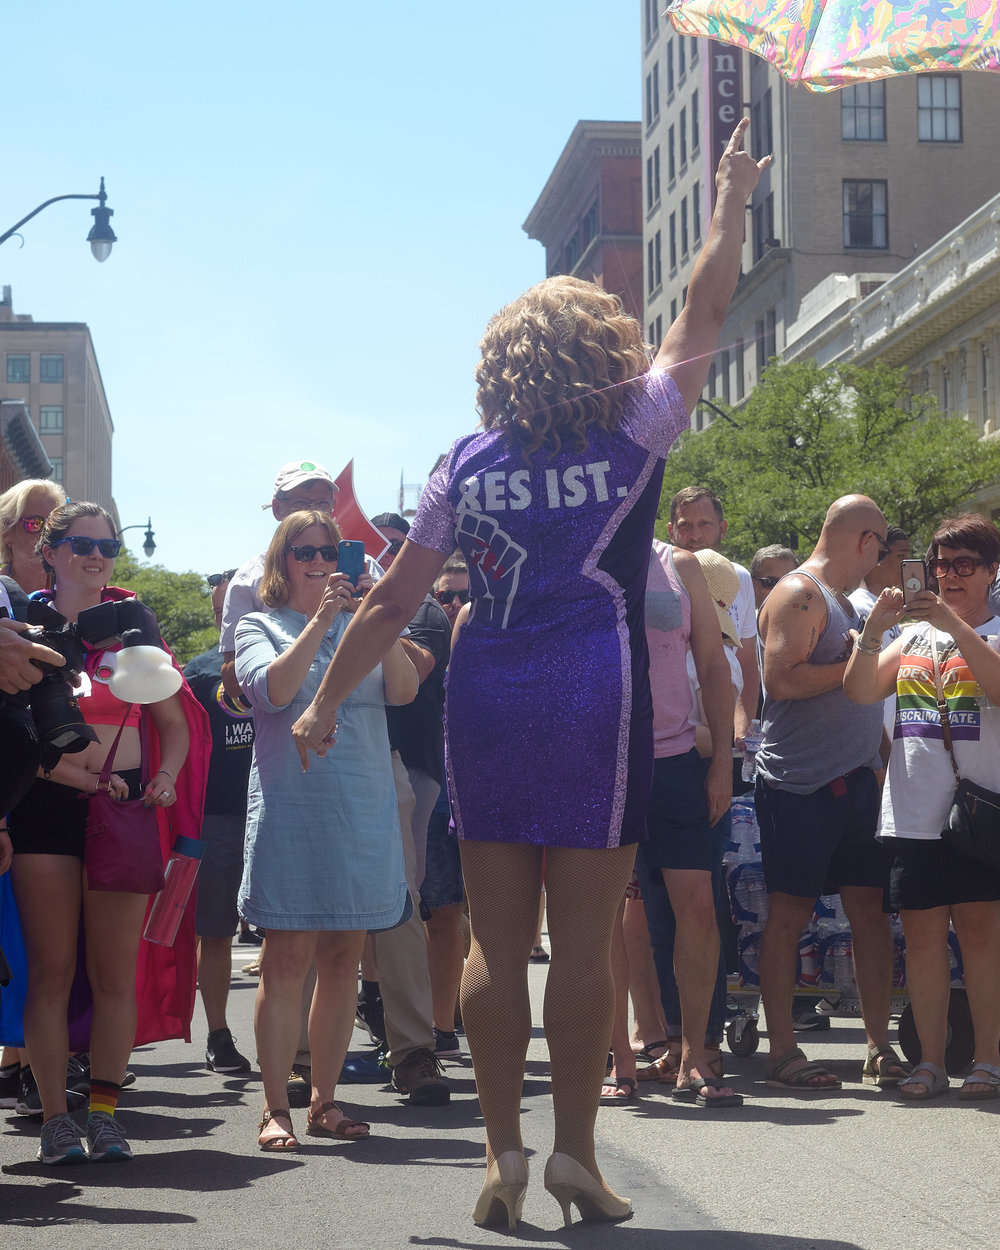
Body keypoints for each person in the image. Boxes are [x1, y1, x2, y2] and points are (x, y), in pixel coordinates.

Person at [290, 119, 768, 1227]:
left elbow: (396, 600)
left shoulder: (467, 460)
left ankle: (500, 1152)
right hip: (595, 694)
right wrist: (730, 203)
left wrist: (321, 697)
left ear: (504, 362)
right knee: (589, 937)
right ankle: (575, 1154)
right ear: (601, 348)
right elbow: (702, 311)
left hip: (487, 691)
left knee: (498, 942)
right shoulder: (636, 428)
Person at [7, 502, 197, 1165]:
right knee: (51, 974)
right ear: (49, 552)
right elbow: (18, 740)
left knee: (116, 976)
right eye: (81, 543)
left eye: (108, 545)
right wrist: (83, 782)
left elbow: (173, 723)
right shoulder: (20, 627)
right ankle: (57, 1119)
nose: (96, 554)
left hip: (125, 811)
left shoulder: (133, 629)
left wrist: (166, 780)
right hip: (47, 813)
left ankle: (108, 1114)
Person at [233, 510, 415, 1150]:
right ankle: (275, 1106)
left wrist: (375, 616)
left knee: (342, 960)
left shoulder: (361, 620)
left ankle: (326, 1101)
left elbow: (404, 688)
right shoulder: (258, 623)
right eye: (304, 551)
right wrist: (319, 621)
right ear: (282, 562)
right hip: (294, 811)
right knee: (285, 961)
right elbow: (276, 693)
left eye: (328, 550)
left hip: (362, 810)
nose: (318, 560)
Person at [844, 514, 1000, 1100]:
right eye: (941, 563)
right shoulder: (910, 634)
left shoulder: (988, 626)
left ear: (990, 572)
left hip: (981, 812)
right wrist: (874, 631)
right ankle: (930, 1062)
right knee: (923, 940)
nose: (949, 574)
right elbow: (860, 691)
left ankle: (988, 1060)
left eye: (965, 565)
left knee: (983, 937)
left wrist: (954, 625)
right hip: (913, 811)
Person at [755, 495, 907, 1091]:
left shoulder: (842, 602)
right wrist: (862, 658)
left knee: (870, 913)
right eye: (882, 546)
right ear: (866, 542)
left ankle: (878, 1046)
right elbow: (779, 679)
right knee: (788, 915)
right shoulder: (801, 592)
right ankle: (783, 1052)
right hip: (800, 784)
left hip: (857, 780)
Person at [625, 543, 738, 1108]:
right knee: (604, 915)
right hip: (602, 762)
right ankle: (617, 1058)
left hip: (676, 760)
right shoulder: (576, 550)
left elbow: (715, 668)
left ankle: (696, 1052)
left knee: (697, 906)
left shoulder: (682, 564)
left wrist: (720, 761)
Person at [183, 569, 254, 1075]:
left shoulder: (290, 657)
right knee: (216, 932)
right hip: (220, 820)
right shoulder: (199, 674)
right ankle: (218, 1034)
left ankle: (294, 1042)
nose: (226, 616)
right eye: (220, 610)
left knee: (288, 934)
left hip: (280, 812)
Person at [667, 486, 760, 757]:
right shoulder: (655, 579)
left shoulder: (738, 578)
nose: (695, 535)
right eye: (686, 525)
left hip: (708, 742)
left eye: (705, 524)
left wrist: (741, 729)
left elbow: (747, 661)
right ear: (671, 530)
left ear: (723, 528)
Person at [0, 478, 64, 593]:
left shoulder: (76, 588)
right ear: (7, 531)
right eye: (34, 523)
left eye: (54, 523)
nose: (47, 532)